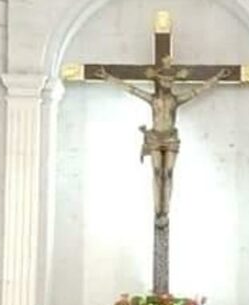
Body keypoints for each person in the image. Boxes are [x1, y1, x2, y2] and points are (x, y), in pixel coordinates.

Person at [95, 56, 230, 226]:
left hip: (171, 138)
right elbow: (130, 89)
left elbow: (199, 90)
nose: (169, 83)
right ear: (160, 81)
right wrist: (108, 77)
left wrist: (216, 78)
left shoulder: (176, 100)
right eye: (165, 80)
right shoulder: (153, 100)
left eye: (171, 80)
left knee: (168, 173)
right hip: (155, 138)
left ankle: (165, 209)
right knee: (158, 172)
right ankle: (157, 209)